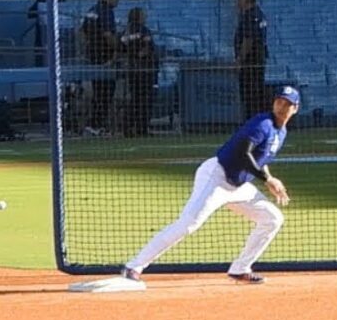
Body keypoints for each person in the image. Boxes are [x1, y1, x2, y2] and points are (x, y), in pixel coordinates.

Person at [122, 88, 299, 285]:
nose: (282, 106)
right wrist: (267, 180)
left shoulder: (280, 131)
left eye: (287, 104)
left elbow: (260, 157)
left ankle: (240, 268)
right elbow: (243, 153)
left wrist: (270, 177)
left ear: (295, 109)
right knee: (188, 224)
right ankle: (134, 266)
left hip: (238, 186)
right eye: (279, 101)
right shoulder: (263, 123)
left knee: (272, 218)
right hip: (217, 176)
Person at [81, 0, 119, 136]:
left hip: (93, 55)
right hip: (104, 57)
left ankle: (95, 124)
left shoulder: (92, 10)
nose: (118, 0)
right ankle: (95, 124)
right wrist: (118, 49)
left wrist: (88, 49)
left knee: (99, 92)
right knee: (105, 93)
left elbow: (82, 32)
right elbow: (108, 35)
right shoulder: (106, 11)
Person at [120, 7, 158, 137]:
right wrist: (140, 56)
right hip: (145, 70)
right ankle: (142, 128)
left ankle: (129, 127)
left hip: (132, 69)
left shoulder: (126, 31)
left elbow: (121, 47)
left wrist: (131, 57)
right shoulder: (143, 30)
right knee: (145, 100)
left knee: (134, 99)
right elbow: (147, 48)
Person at [235, 0, 268, 122]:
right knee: (256, 93)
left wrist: (240, 60)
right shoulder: (260, 14)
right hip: (259, 60)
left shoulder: (250, 16)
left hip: (251, 62)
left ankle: (252, 123)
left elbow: (248, 40)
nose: (238, 1)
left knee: (250, 95)